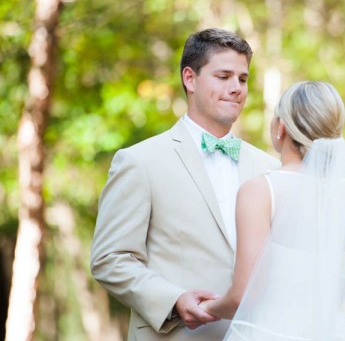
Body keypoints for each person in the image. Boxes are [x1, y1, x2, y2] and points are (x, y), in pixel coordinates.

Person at [90, 28, 280, 341]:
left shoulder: (270, 169)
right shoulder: (140, 162)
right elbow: (109, 258)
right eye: (223, 76)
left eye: (242, 79)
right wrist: (174, 300)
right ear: (189, 79)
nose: (236, 88)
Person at [200, 81, 345, 340]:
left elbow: (243, 295)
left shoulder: (262, 191)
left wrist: (206, 307)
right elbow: (339, 290)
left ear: (281, 128)